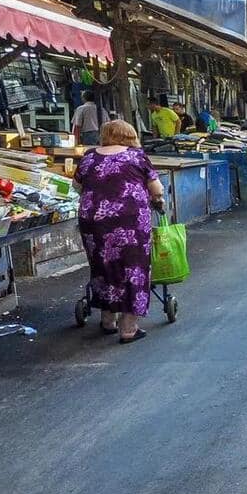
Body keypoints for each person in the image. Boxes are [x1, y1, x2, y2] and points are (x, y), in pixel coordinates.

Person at [74, 119, 166, 344]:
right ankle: (128, 328)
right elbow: (157, 188)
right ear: (129, 135)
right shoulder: (136, 156)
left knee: (102, 266)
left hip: (93, 221)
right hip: (130, 222)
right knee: (133, 269)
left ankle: (108, 321)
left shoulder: (89, 156)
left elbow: (77, 185)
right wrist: (158, 199)